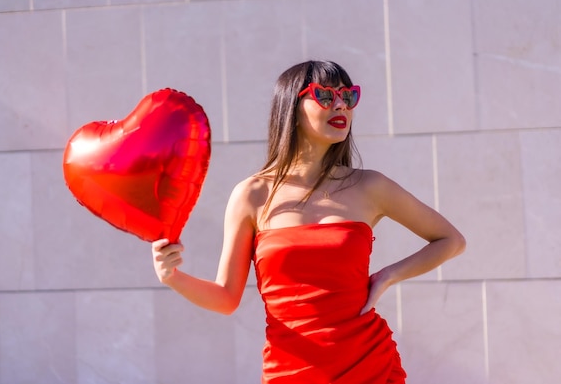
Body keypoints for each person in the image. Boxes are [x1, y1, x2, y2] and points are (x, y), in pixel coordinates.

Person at [151, 60, 466, 383]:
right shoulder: (252, 194)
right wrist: (172, 276)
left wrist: (387, 276)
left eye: (348, 96)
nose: (341, 104)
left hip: (367, 364)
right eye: (326, 96)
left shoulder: (371, 187)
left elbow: (450, 240)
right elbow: (226, 297)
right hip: (291, 370)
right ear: (291, 108)